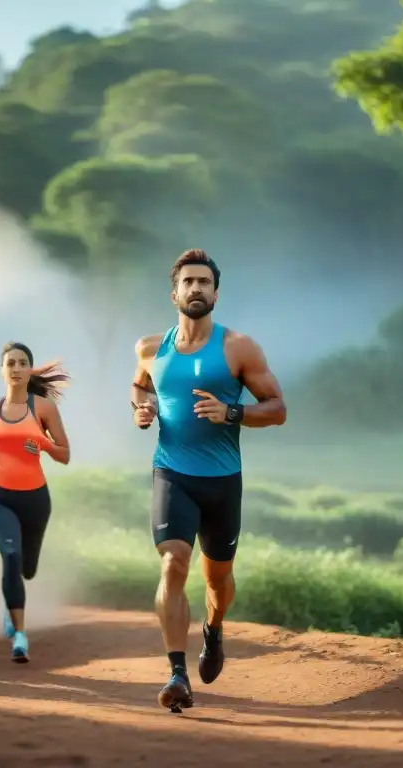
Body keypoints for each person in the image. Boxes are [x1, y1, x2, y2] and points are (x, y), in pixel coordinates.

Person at [131, 248, 287, 712]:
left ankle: (214, 630)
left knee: (217, 581)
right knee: (173, 563)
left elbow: (277, 409)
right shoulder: (149, 347)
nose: (196, 288)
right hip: (172, 471)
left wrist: (231, 412)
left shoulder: (238, 347)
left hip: (222, 480)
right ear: (174, 292)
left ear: (216, 292)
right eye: (188, 281)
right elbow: (141, 384)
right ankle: (177, 673)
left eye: (204, 282)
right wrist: (143, 409)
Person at [0, 342, 71, 663]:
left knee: (27, 570)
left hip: (35, 501)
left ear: (29, 370)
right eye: (10, 363)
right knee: (11, 556)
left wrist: (42, 443)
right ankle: (20, 636)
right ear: (2, 370)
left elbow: (65, 455)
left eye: (22, 363)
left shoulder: (42, 409)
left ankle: (10, 598)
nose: (15, 368)